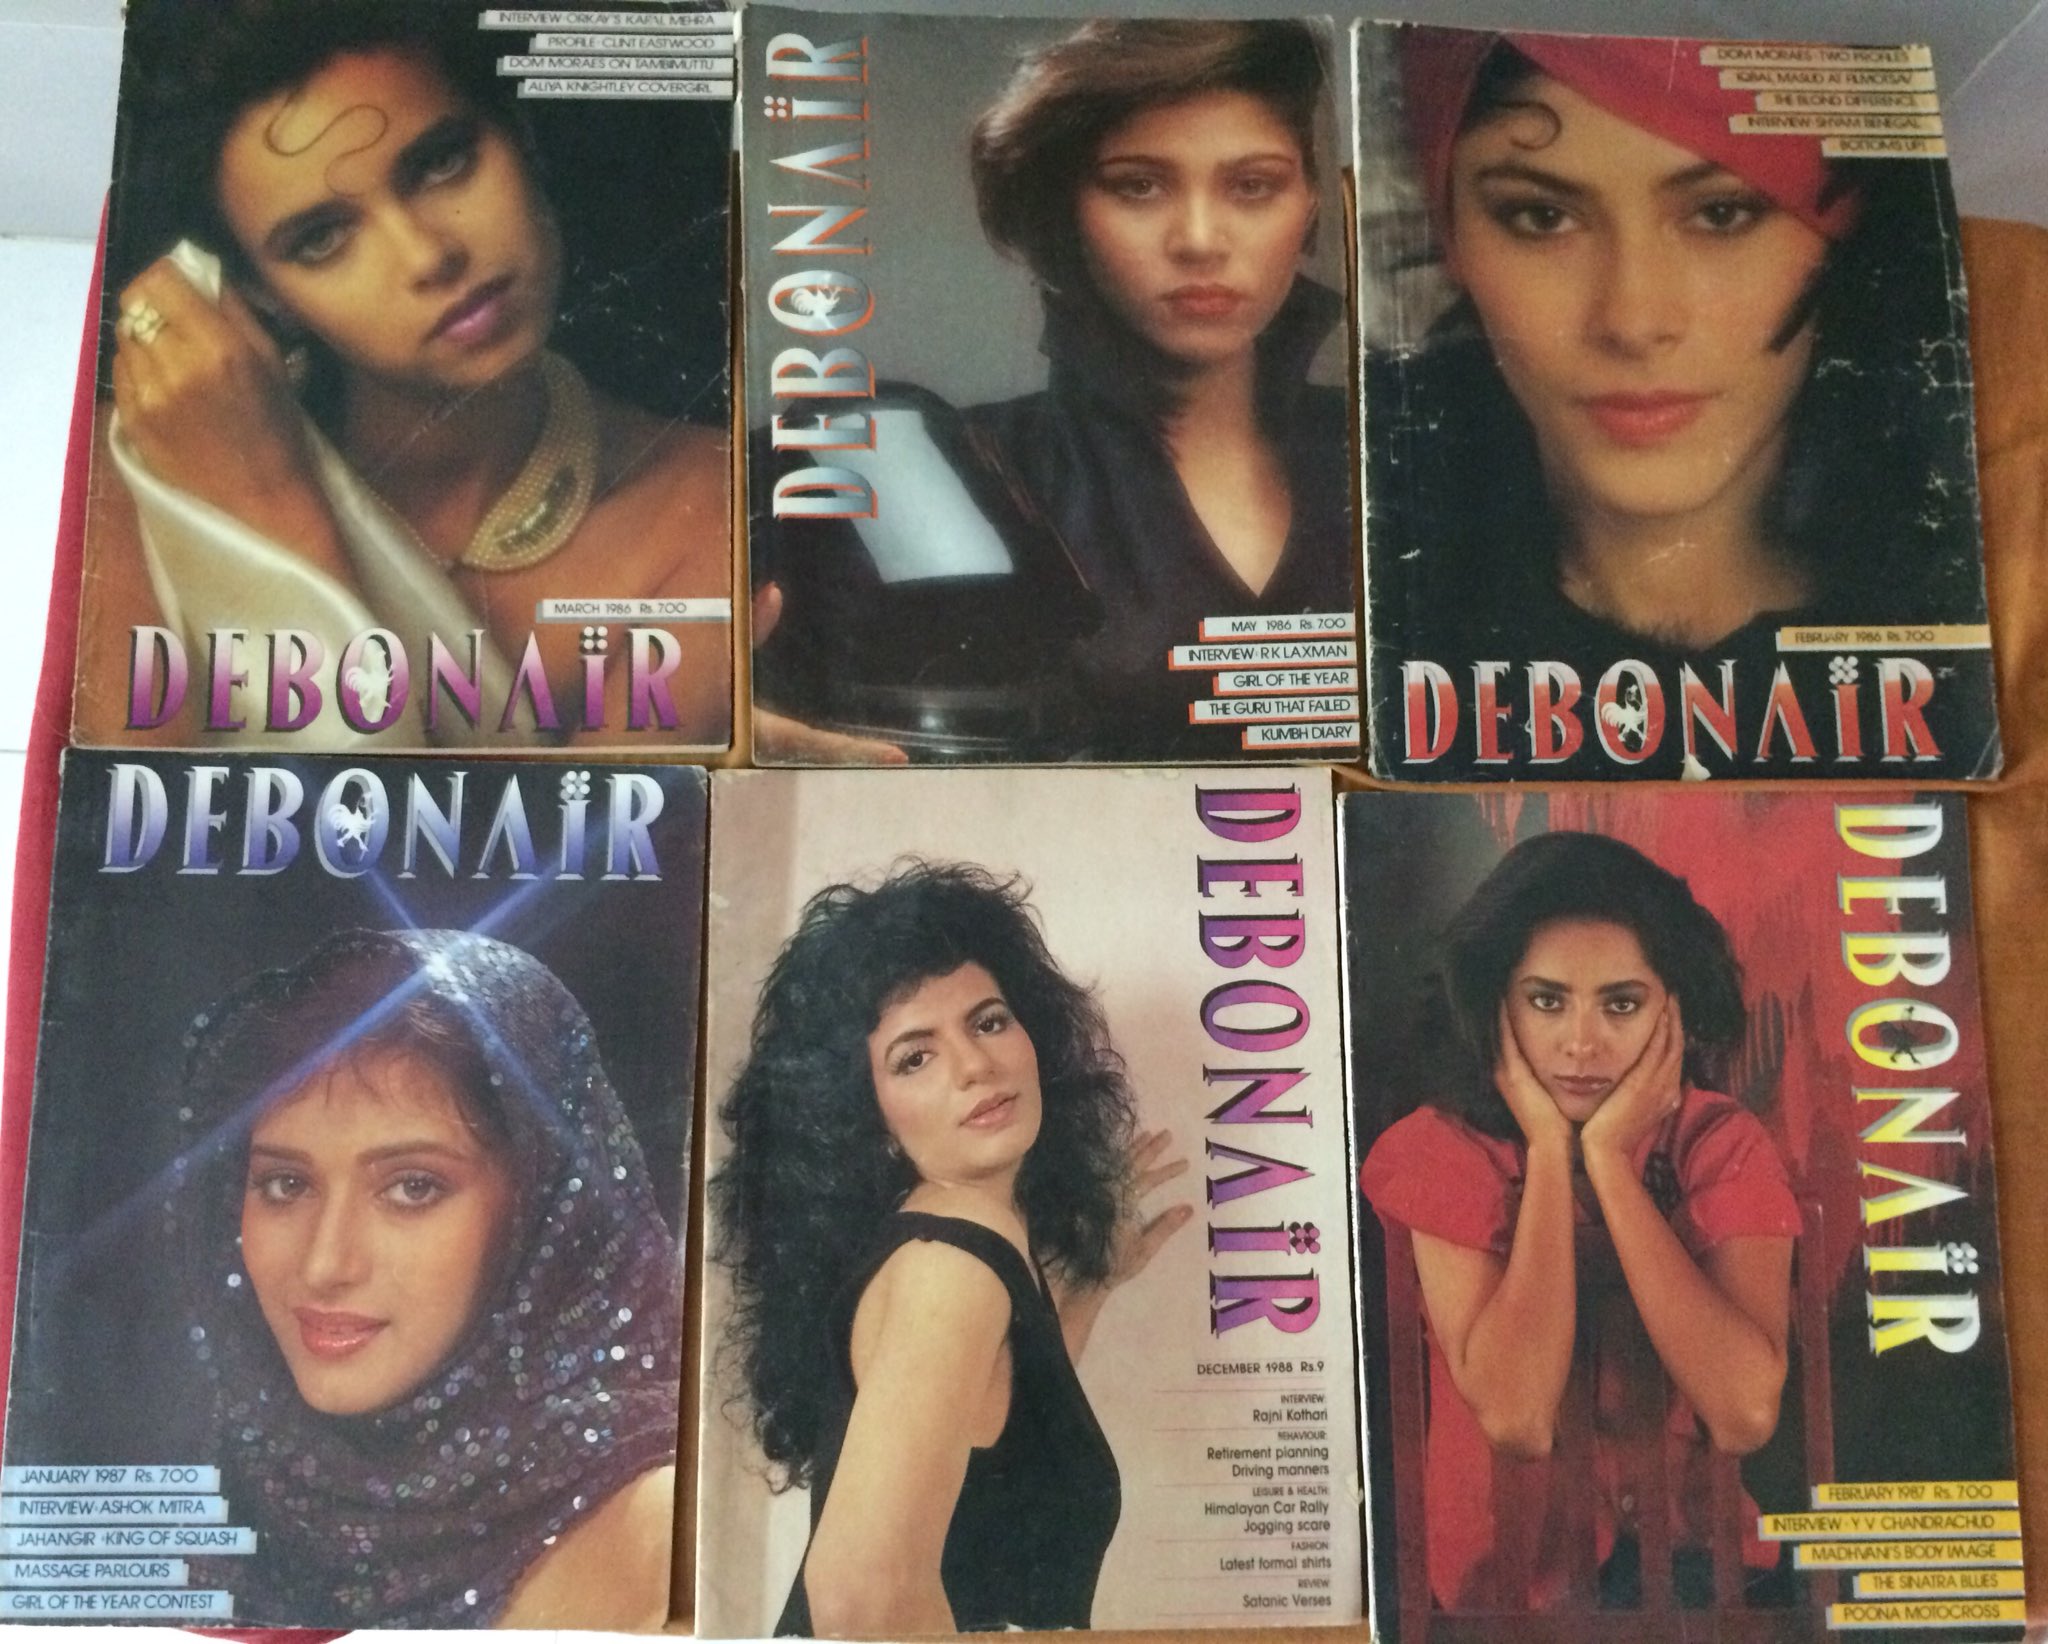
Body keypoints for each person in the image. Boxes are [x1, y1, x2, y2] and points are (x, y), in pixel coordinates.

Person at [76, 0, 730, 748]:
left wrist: (281, 513)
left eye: (441, 163)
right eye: (322, 238)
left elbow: (564, 839)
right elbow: (126, 815)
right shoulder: (141, 467)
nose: (428, 255)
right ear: (258, 293)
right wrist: (270, 504)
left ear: (518, 136)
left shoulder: (704, 508)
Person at [754, 20, 1354, 763]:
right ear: (1059, 211)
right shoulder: (927, 475)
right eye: (1138, 185)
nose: (1200, 239)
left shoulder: (1397, 458)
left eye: (1253, 186)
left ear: (1311, 207)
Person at [1367, 30, 1985, 709]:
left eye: (1721, 214)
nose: (1633, 323)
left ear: (1847, 234)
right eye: (1541, 217)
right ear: (1451, 236)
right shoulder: (1368, 608)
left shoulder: (1994, 613)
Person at [709, 863, 1191, 1635]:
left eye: (989, 1021)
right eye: (915, 1057)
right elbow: (856, 1597)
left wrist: (1089, 1283)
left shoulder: (962, 1242)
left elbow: (1005, 1459)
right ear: (865, 1117)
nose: (976, 1066)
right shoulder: (950, 1265)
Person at [163, 928, 682, 1628]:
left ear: (544, 1209)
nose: (325, 1265)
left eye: (412, 1187)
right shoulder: (230, 1488)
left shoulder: (656, 1538)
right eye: (286, 1184)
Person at [1357, 832, 1799, 1613]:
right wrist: (1546, 1151)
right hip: (1513, 1589)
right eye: (1546, 1001)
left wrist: (1608, 1163)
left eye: (1621, 1004)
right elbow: (1518, 1418)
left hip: (1705, 1573)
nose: (1582, 1043)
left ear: (1675, 1008)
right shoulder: (1441, 1149)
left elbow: (1744, 1415)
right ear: (1496, 1005)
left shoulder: (1720, 1141)